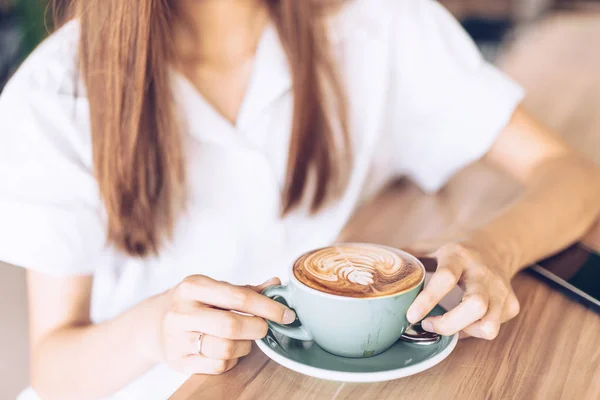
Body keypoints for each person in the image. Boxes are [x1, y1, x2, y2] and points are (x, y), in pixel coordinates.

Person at [1, 0, 599, 399]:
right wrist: (148, 332)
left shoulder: (379, 22)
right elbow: (53, 369)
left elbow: (573, 177)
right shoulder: (56, 94)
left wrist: (493, 249)